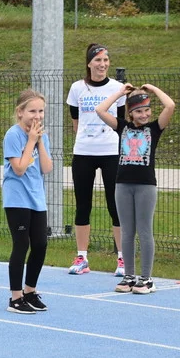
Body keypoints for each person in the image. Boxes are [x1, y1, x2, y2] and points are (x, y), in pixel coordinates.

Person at [94, 83, 175, 294]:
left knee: (144, 230)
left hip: (145, 185)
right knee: (127, 232)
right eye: (139, 111)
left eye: (147, 110)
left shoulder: (155, 128)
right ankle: (129, 276)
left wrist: (155, 90)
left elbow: (170, 105)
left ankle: (146, 279)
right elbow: (100, 110)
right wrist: (121, 93)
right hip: (122, 184)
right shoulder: (123, 127)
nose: (144, 114)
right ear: (130, 113)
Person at [66, 43, 126, 276]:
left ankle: (123, 259)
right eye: (98, 60)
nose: (102, 64)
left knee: (115, 205)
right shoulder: (77, 88)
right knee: (83, 205)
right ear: (89, 63)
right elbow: (75, 122)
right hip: (83, 152)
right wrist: (87, 138)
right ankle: (82, 258)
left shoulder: (118, 88)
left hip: (111, 151)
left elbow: (120, 123)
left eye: (106, 60)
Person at [2, 89, 54, 314]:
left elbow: (47, 168)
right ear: (20, 112)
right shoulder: (13, 135)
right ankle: (15, 298)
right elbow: (20, 169)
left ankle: (30, 291)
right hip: (17, 198)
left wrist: (40, 142)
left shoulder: (43, 136)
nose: (37, 116)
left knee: (41, 244)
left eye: (41, 111)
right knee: (21, 244)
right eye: (32, 111)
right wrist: (31, 140)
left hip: (36, 198)